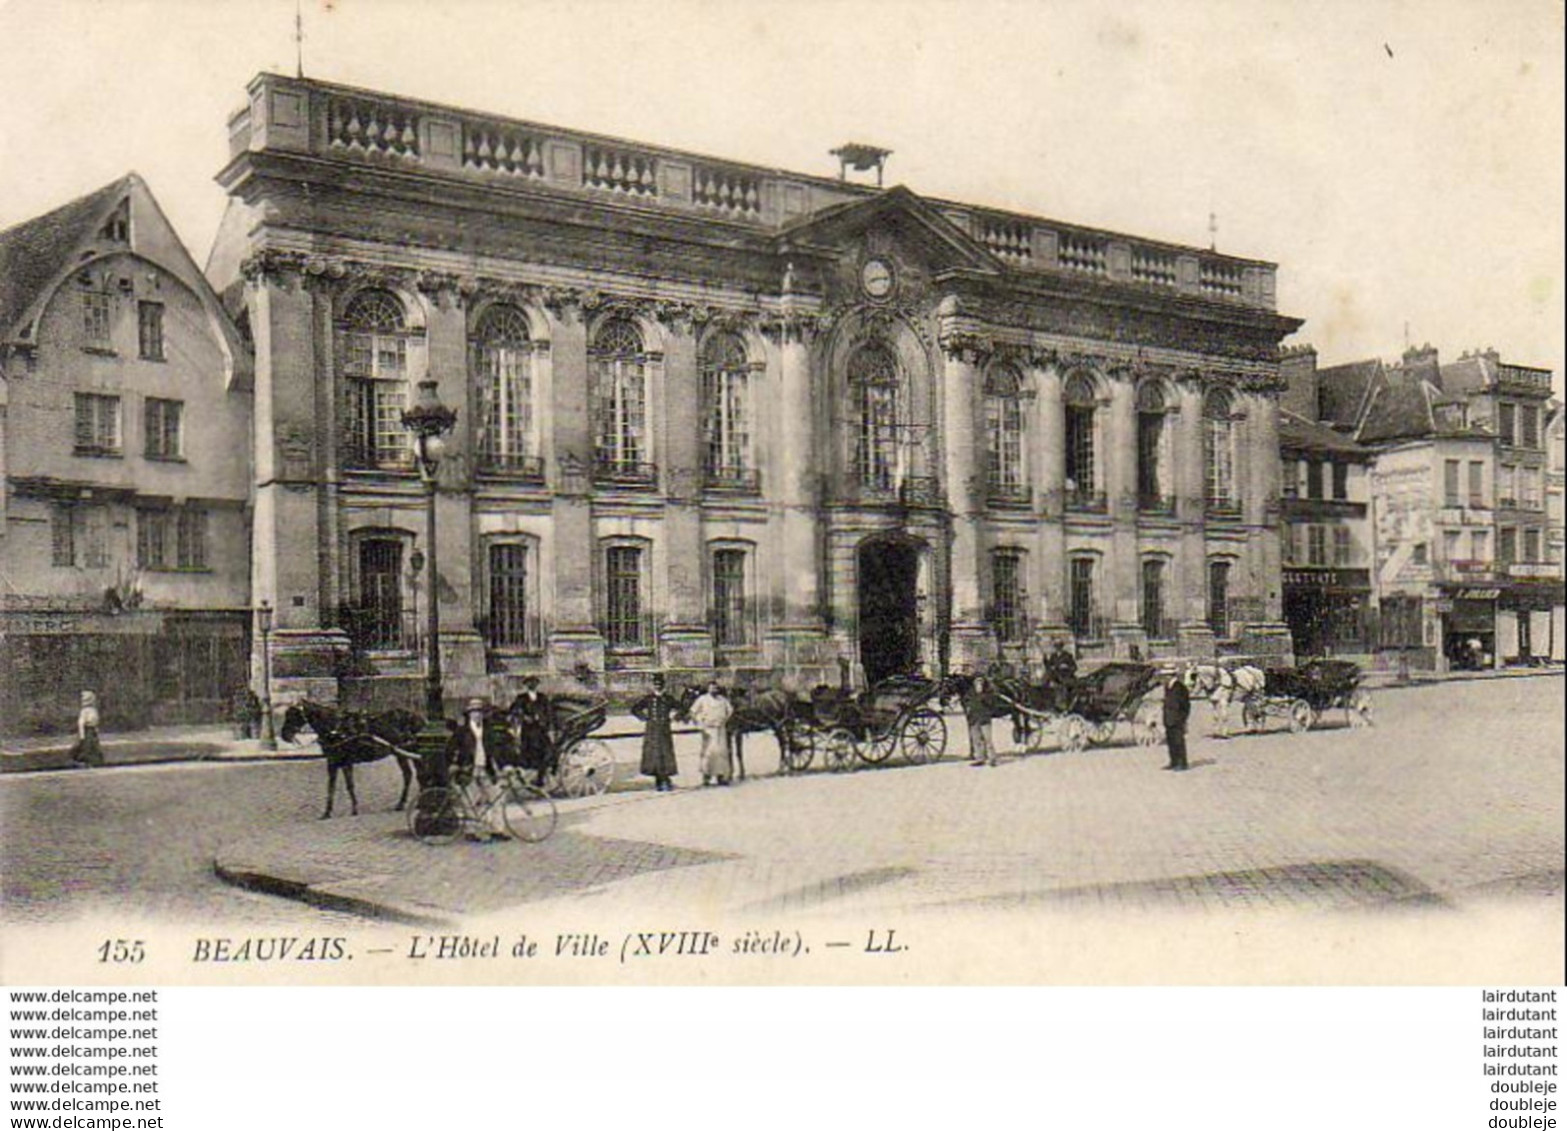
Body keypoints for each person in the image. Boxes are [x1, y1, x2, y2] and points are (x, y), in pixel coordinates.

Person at [448, 698, 508, 839]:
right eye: (474, 712)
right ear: (468, 714)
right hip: (468, 769)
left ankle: (497, 830)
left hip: (486, 769)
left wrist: (504, 766)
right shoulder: (462, 732)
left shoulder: (488, 731)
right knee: (471, 800)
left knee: (496, 797)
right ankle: (471, 831)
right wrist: (455, 764)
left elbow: (495, 750)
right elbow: (451, 749)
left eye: (480, 712)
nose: (477, 715)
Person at [632, 674, 680, 792]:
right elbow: (635, 709)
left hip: (664, 729)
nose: (658, 686)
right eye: (656, 684)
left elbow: (682, 708)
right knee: (653, 755)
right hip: (652, 729)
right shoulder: (648, 699)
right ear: (653, 685)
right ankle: (658, 779)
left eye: (660, 684)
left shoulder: (668, 698)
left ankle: (665, 779)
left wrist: (675, 717)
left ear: (664, 685)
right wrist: (644, 717)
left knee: (665, 753)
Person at [512, 676, 555, 787]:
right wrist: (524, 717)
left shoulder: (542, 697)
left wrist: (547, 724)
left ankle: (540, 778)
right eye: (529, 683)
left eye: (534, 682)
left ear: (537, 684)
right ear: (526, 685)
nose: (532, 685)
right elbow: (515, 711)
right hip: (528, 731)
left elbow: (549, 712)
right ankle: (527, 775)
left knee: (546, 752)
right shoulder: (521, 698)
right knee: (528, 752)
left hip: (541, 730)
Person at [689, 680, 735, 786]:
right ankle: (706, 777)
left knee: (721, 753)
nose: (714, 690)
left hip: (720, 729)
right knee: (708, 753)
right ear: (708, 689)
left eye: (715, 688)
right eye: (711, 688)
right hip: (708, 730)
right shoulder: (702, 699)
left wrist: (724, 720)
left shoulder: (722, 700)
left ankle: (721, 776)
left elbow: (730, 710)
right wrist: (699, 723)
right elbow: (692, 712)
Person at [963, 674, 1001, 767]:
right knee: (976, 739)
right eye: (977, 682)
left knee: (988, 739)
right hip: (974, 718)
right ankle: (980, 758)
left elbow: (991, 704)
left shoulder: (988, 693)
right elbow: (966, 701)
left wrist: (982, 696)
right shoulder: (970, 693)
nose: (978, 684)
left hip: (984, 718)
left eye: (980, 682)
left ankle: (992, 758)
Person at [1162, 668, 1192, 772]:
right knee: (1171, 741)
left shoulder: (1180, 687)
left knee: (1179, 741)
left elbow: (1186, 705)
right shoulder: (1167, 687)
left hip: (1177, 719)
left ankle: (1182, 763)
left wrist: (1182, 718)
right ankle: (1173, 761)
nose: (1164, 678)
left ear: (1171, 676)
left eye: (1166, 676)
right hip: (1168, 719)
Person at [70, 690, 103, 769]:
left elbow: (95, 721)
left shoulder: (93, 710)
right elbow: (81, 723)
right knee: (86, 747)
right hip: (87, 730)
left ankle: (93, 761)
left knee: (93, 746)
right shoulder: (84, 711)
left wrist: (96, 730)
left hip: (92, 730)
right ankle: (83, 761)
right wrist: (82, 735)